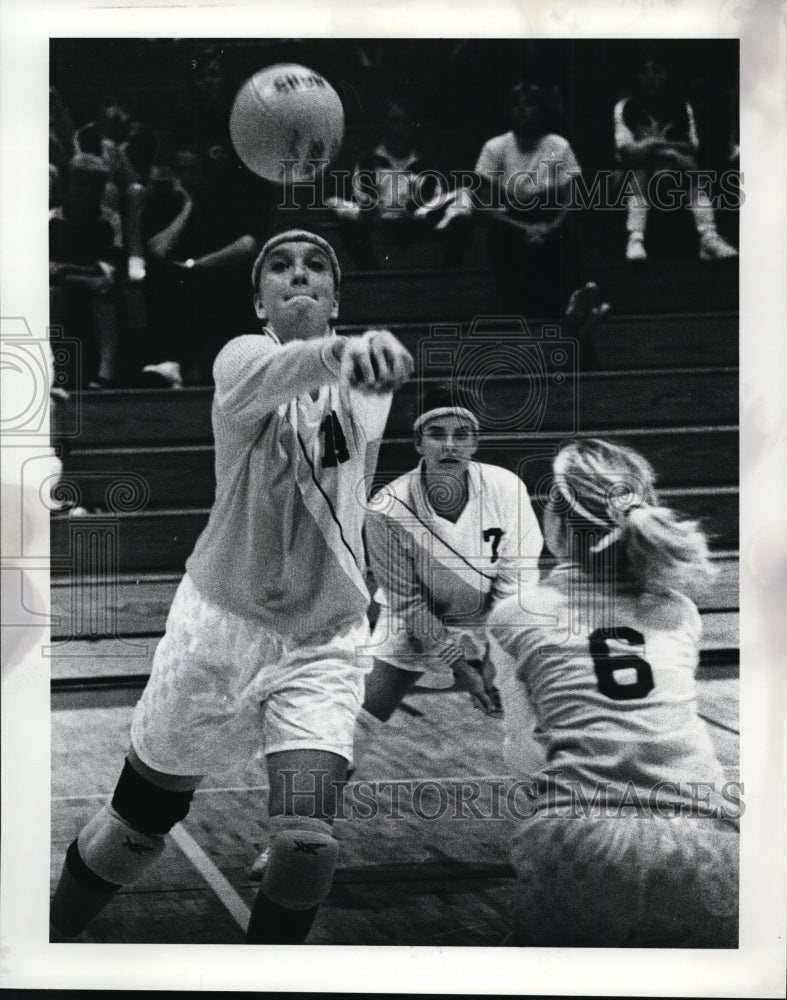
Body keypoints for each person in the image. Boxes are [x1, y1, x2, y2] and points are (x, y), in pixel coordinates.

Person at [49, 229, 414, 945]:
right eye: (279, 266)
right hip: (215, 633)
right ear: (258, 301)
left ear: (337, 296)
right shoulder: (241, 360)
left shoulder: (364, 379)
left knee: (306, 846)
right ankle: (47, 940)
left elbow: (360, 378)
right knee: (132, 830)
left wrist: (362, 354)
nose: (298, 273)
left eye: (316, 266)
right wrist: (343, 349)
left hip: (322, 641)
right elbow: (275, 375)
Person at [489, 438, 739, 947]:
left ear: (553, 521)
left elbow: (526, 754)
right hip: (707, 833)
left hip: (584, 834)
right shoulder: (679, 611)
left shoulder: (517, 614)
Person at [138, 148, 264, 387]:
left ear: (204, 174)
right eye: (181, 172)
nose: (187, 177)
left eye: (193, 171)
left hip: (211, 277)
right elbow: (159, 250)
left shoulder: (222, 203)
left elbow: (247, 245)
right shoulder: (161, 205)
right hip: (179, 281)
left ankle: (206, 365)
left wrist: (197, 264)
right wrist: (188, 205)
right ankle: (173, 362)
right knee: (162, 277)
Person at [457, 81, 582, 315]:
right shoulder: (495, 147)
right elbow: (482, 206)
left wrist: (551, 227)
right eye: (516, 105)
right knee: (503, 242)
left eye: (529, 104)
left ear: (542, 110)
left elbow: (572, 200)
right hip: (510, 224)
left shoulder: (559, 145)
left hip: (550, 221)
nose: (521, 110)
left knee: (567, 241)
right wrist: (524, 228)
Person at [614, 51, 738, 261]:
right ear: (636, 77)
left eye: (656, 71)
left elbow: (691, 147)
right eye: (645, 71)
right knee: (640, 166)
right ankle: (635, 238)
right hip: (631, 175)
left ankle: (709, 237)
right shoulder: (625, 107)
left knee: (689, 164)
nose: (651, 76)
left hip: (672, 167)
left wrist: (657, 144)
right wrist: (662, 148)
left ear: (665, 74)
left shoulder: (681, 105)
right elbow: (628, 152)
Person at [49, 153, 124, 388]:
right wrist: (84, 277)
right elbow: (46, 270)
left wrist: (69, 270)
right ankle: (60, 370)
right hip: (63, 287)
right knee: (52, 294)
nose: (88, 192)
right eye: (81, 185)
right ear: (68, 186)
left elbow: (108, 268)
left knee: (106, 292)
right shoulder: (51, 220)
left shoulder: (110, 219)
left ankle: (105, 373)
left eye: (95, 187)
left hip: (92, 286)